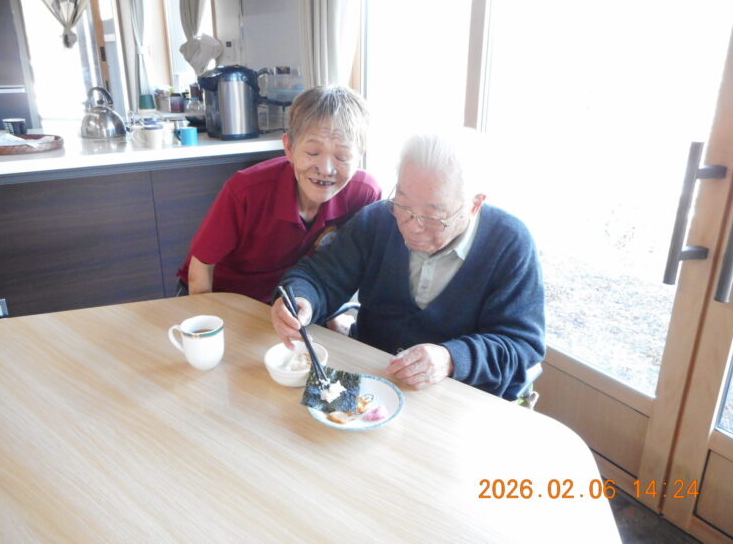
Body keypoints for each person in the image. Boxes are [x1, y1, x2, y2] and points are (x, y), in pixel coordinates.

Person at [270, 128, 545, 400]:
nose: (412, 226)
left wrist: (451, 358)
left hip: (459, 399)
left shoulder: (510, 243)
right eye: (402, 205)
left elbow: (521, 345)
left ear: (474, 205)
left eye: (433, 216)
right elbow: (318, 277)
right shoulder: (377, 221)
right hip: (373, 380)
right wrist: (300, 300)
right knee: (291, 417)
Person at [176, 85, 380, 304]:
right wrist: (207, 318)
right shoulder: (246, 191)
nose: (326, 169)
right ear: (289, 148)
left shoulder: (364, 194)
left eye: (342, 156)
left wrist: (329, 312)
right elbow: (201, 267)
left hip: (282, 299)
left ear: (360, 156)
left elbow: (345, 267)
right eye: (313, 153)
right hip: (219, 294)